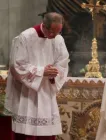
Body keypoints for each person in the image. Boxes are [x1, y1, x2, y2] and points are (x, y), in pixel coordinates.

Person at [4, 12, 69, 140]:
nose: (54, 36)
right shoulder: (25, 37)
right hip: (27, 93)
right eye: (52, 32)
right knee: (28, 133)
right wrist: (41, 72)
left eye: (58, 32)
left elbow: (63, 61)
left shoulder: (58, 39)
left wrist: (53, 72)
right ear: (44, 26)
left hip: (46, 92)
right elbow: (17, 65)